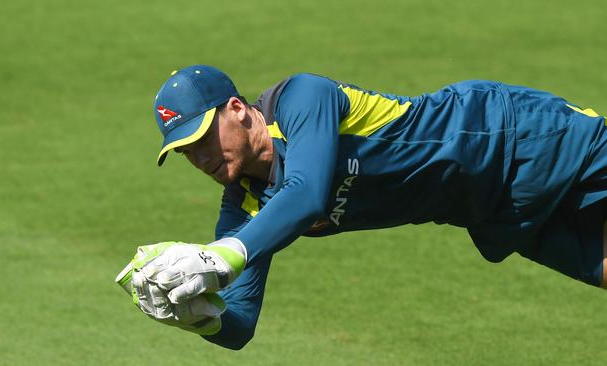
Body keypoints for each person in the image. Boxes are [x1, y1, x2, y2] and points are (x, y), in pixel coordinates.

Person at [128, 65, 606, 350]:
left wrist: (220, 256)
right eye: (186, 151)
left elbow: (307, 192)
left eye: (202, 137)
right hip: (494, 211)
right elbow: (241, 325)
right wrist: (201, 317)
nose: (200, 156)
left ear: (236, 108)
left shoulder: (301, 98)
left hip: (514, 135)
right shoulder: (243, 210)